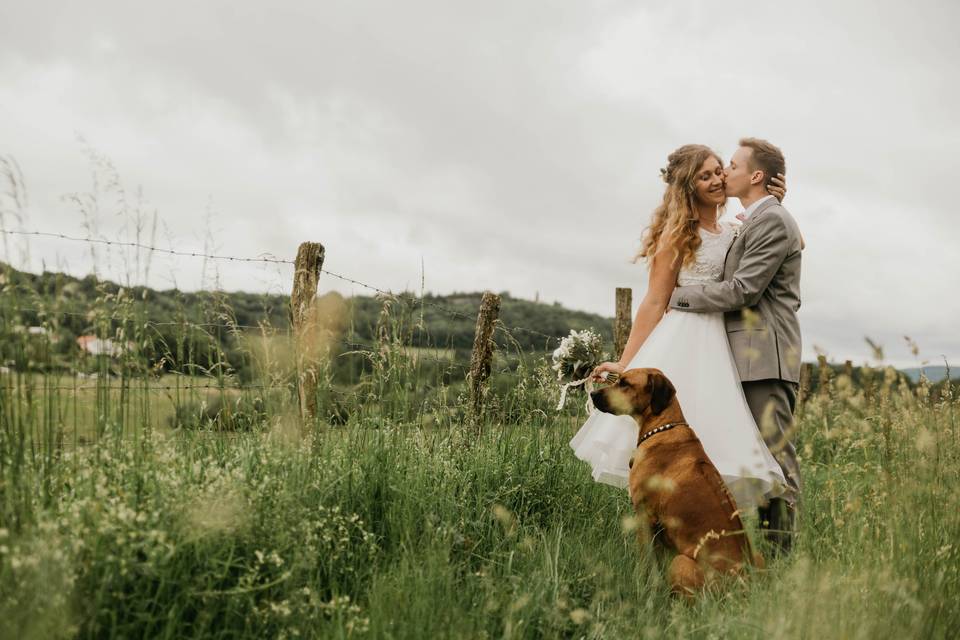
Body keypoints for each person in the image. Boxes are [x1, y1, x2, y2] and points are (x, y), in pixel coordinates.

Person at [569, 142, 791, 522]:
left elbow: (786, 244)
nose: (716, 179)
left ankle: (713, 527)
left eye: (718, 170)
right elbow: (655, 303)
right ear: (688, 186)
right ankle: (664, 526)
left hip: (722, 343)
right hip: (684, 340)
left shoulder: (734, 229)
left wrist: (775, 204)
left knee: (720, 439)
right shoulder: (676, 236)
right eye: (704, 176)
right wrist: (626, 362)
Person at [669, 138, 803, 554]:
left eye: (731, 165)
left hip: (764, 356)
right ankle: (746, 553)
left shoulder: (772, 220)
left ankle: (781, 557)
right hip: (742, 357)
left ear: (756, 175)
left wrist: (681, 297)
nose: (724, 172)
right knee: (755, 457)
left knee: (776, 457)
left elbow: (744, 289)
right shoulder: (756, 219)